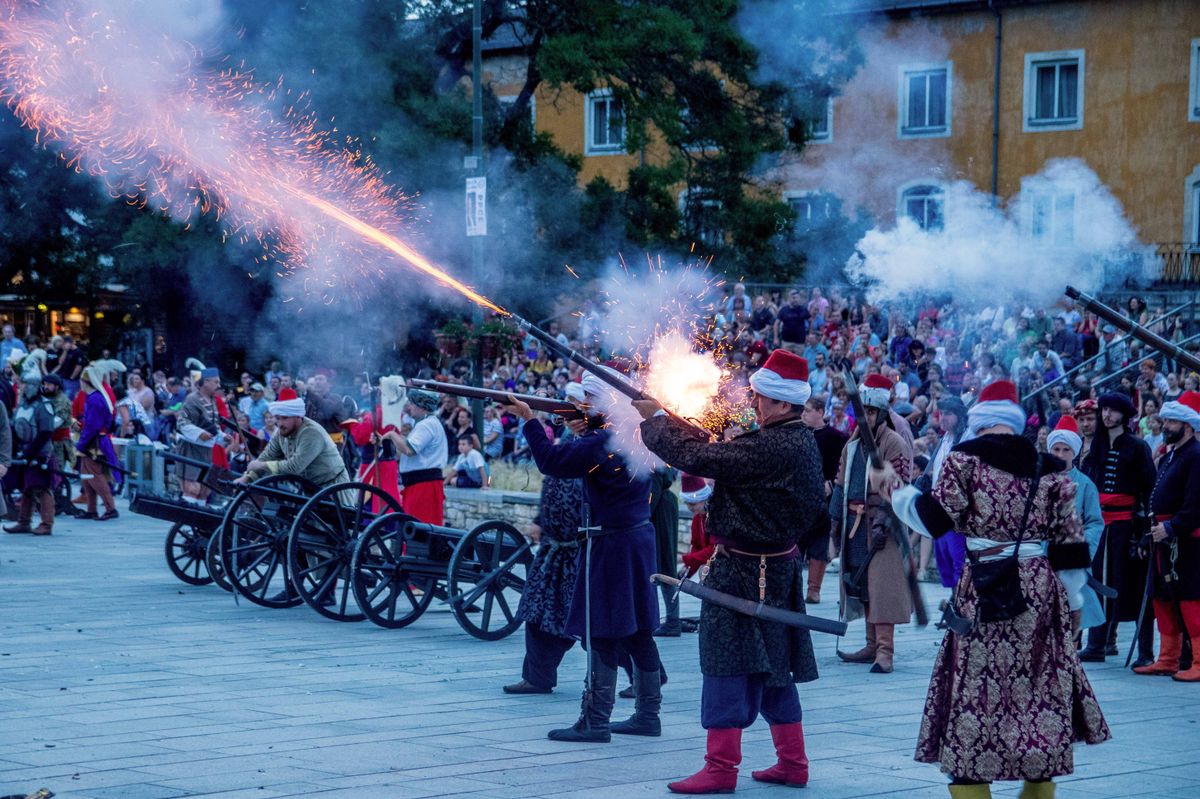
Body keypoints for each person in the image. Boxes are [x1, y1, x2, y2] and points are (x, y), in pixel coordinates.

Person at [888, 379, 1109, 798]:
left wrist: (898, 496)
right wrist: (1075, 601)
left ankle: (974, 781)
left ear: (981, 422)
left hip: (984, 588)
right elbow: (1071, 547)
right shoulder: (1054, 470)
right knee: (1037, 689)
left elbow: (935, 523)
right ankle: (1037, 787)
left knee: (978, 692)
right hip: (1039, 589)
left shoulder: (961, 461)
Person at [637, 349, 824, 794]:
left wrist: (655, 421)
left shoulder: (774, 445)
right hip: (771, 567)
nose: (754, 402)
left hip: (744, 568)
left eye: (761, 397)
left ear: (783, 403)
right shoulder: (794, 440)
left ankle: (721, 769)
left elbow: (705, 461)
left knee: (726, 664)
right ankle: (792, 763)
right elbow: (725, 458)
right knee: (773, 666)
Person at [505, 371, 662, 744]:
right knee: (639, 631)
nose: (583, 406)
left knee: (603, 631)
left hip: (613, 544)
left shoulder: (603, 439)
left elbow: (550, 461)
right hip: (636, 539)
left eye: (589, 400)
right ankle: (647, 714)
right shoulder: (633, 432)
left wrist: (530, 420)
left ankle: (595, 719)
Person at [832, 373, 914, 674]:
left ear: (880, 414)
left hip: (882, 527)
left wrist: (882, 522)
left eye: (870, 411)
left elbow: (899, 487)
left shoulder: (893, 442)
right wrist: (836, 520)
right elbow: (840, 482)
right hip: (854, 522)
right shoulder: (852, 445)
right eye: (861, 411)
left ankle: (884, 651)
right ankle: (870, 644)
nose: (865, 417)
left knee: (882, 589)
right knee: (862, 586)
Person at [504, 417, 586, 695]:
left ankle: (644, 677)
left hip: (580, 554)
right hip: (552, 552)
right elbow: (552, 486)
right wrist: (541, 519)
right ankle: (537, 677)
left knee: (594, 624)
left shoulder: (597, 451)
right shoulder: (565, 449)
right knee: (537, 615)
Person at [1078, 392, 1157, 666]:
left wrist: (1146, 530)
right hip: (1101, 527)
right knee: (1097, 584)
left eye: (1112, 410)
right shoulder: (1096, 446)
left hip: (1127, 527)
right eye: (1104, 410)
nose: (1106, 415)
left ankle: (1145, 652)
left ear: (1124, 414)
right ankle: (1096, 644)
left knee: (1133, 586)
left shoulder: (1137, 446)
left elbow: (1149, 490)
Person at [1133, 391, 1200, 681]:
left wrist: (1171, 528)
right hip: (1163, 537)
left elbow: (1196, 504)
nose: (1165, 424)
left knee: (1190, 599)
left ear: (1187, 425)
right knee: (1163, 598)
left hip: (1186, 540)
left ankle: (1199, 661)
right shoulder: (1172, 454)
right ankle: (1168, 658)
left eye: (1171, 420)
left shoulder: (1196, 456)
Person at [1046, 416, 1108, 640]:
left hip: (1071, 559)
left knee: (1073, 614)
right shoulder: (1039, 481)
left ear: (1074, 452)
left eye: (1065, 449)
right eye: (1056, 449)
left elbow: (1094, 522)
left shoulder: (1085, 484)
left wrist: (1081, 550)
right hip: (1041, 560)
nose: (1060, 455)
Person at [235, 392, 348, 487]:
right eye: (278, 418)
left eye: (285, 418)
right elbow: (267, 456)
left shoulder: (311, 433)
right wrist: (246, 478)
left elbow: (294, 467)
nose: (280, 424)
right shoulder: (281, 432)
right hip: (308, 489)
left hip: (332, 490)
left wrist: (262, 465)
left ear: (298, 416)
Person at [800, 396, 847, 604]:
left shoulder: (837, 437)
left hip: (823, 497)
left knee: (819, 544)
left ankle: (814, 589)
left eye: (808, 411)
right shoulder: (800, 435)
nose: (804, 415)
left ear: (820, 411)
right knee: (796, 544)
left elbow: (843, 463)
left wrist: (833, 483)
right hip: (800, 498)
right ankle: (792, 589)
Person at [383, 389, 448, 526]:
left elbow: (409, 450)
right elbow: (405, 448)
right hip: (420, 484)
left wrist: (392, 435)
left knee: (419, 527)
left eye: (412, 403)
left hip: (424, 485)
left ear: (422, 406)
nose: (409, 407)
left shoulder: (427, 424)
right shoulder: (426, 423)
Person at [3, 376, 58, 536]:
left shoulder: (44, 405)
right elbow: (14, 426)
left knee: (42, 487)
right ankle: (24, 521)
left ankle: (47, 524)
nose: (20, 387)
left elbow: (46, 432)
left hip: (40, 453)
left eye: (24, 384)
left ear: (33, 386)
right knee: (27, 487)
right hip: (25, 451)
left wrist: (32, 452)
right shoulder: (23, 404)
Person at [926, 397, 969, 589]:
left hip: (957, 512)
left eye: (948, 414)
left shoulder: (967, 438)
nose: (942, 418)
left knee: (958, 560)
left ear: (959, 416)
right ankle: (953, 604)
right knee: (946, 563)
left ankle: (961, 609)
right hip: (939, 508)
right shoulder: (945, 438)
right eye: (941, 413)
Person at [76, 365, 120, 521]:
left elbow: (93, 425)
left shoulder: (94, 399)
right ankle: (91, 509)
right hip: (97, 439)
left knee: (95, 475)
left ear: (85, 382)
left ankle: (110, 508)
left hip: (94, 442)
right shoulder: (98, 396)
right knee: (87, 475)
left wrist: (81, 443)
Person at [175, 367, 223, 502]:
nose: (219, 386)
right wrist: (200, 433)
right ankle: (187, 519)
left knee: (204, 490)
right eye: (216, 382)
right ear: (206, 382)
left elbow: (214, 425)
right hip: (190, 450)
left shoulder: (212, 400)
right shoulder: (192, 399)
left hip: (206, 450)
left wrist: (223, 437)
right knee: (192, 489)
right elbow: (182, 423)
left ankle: (198, 521)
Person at [650, 466, 682, 637]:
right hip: (664, 508)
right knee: (665, 565)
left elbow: (651, 496)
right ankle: (671, 619)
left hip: (659, 514)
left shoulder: (653, 466)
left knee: (660, 566)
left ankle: (670, 620)